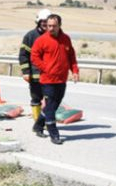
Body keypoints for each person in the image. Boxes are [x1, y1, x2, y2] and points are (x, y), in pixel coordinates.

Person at [31, 14, 79, 144]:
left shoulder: (66, 39)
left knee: (53, 106)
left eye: (54, 26)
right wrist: (45, 67)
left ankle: (38, 125)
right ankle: (54, 133)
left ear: (59, 26)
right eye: (49, 26)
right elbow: (34, 56)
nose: (50, 28)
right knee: (51, 107)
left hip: (62, 79)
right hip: (47, 80)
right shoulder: (41, 40)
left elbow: (71, 57)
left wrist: (74, 71)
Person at [19, 9, 50, 132]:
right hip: (35, 75)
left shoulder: (52, 35)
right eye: (43, 21)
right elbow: (23, 55)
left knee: (49, 100)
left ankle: (47, 122)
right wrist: (26, 72)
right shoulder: (30, 36)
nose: (44, 24)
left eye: (46, 22)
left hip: (49, 75)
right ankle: (38, 123)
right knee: (36, 99)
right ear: (38, 21)